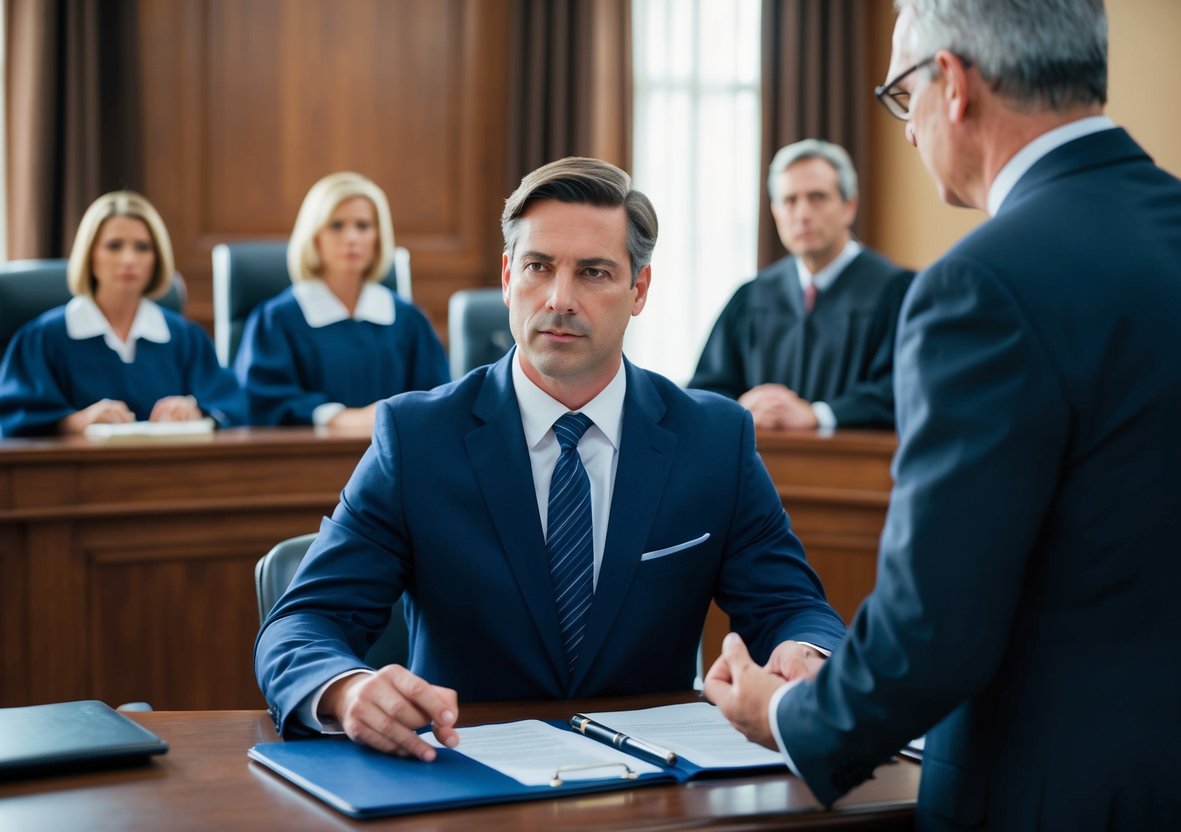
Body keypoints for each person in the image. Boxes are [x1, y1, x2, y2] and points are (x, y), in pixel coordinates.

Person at [705, 1, 1181, 828]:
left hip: (1055, 793)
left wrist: (785, 713)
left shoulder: (978, 287)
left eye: (899, 95)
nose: (907, 129)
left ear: (952, 85)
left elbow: (936, 627)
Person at [255, 157, 845, 759]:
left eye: (593, 272)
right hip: (463, 782)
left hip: (654, 790)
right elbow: (302, 624)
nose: (560, 299)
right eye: (539, 267)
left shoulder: (713, 439)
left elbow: (793, 607)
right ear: (509, 276)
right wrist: (348, 690)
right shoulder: (417, 437)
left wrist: (809, 654)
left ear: (639, 290)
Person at [689, 139, 912, 430]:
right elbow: (705, 389)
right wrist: (743, 409)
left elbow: (906, 389)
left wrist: (818, 415)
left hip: (858, 469)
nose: (803, 214)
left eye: (817, 197)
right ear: (776, 213)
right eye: (790, 200)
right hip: (759, 466)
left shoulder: (896, 291)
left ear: (849, 206)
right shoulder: (752, 297)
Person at [0, 191, 246, 437]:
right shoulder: (42, 339)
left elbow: (234, 410)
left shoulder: (186, 339)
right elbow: (7, 423)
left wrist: (198, 414)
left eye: (142, 247)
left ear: (156, 258)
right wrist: (73, 422)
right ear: (90, 255)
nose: (129, 259)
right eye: (114, 246)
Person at [234, 171, 450, 429]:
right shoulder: (276, 320)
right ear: (314, 236)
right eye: (336, 225)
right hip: (303, 460)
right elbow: (260, 401)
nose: (352, 238)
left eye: (363, 225)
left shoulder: (408, 320)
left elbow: (438, 399)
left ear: (378, 237)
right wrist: (337, 417)